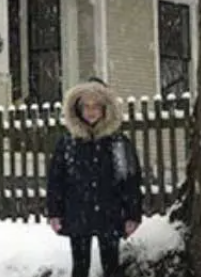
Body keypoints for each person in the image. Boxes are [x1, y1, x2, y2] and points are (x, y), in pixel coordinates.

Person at [47, 77, 144, 277]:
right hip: (77, 212)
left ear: (106, 109)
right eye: (86, 106)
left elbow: (131, 180)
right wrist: (54, 212)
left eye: (96, 106)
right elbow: (56, 179)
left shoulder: (118, 143)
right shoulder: (68, 143)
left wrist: (133, 214)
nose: (91, 111)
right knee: (80, 266)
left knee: (111, 266)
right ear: (78, 109)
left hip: (110, 212)